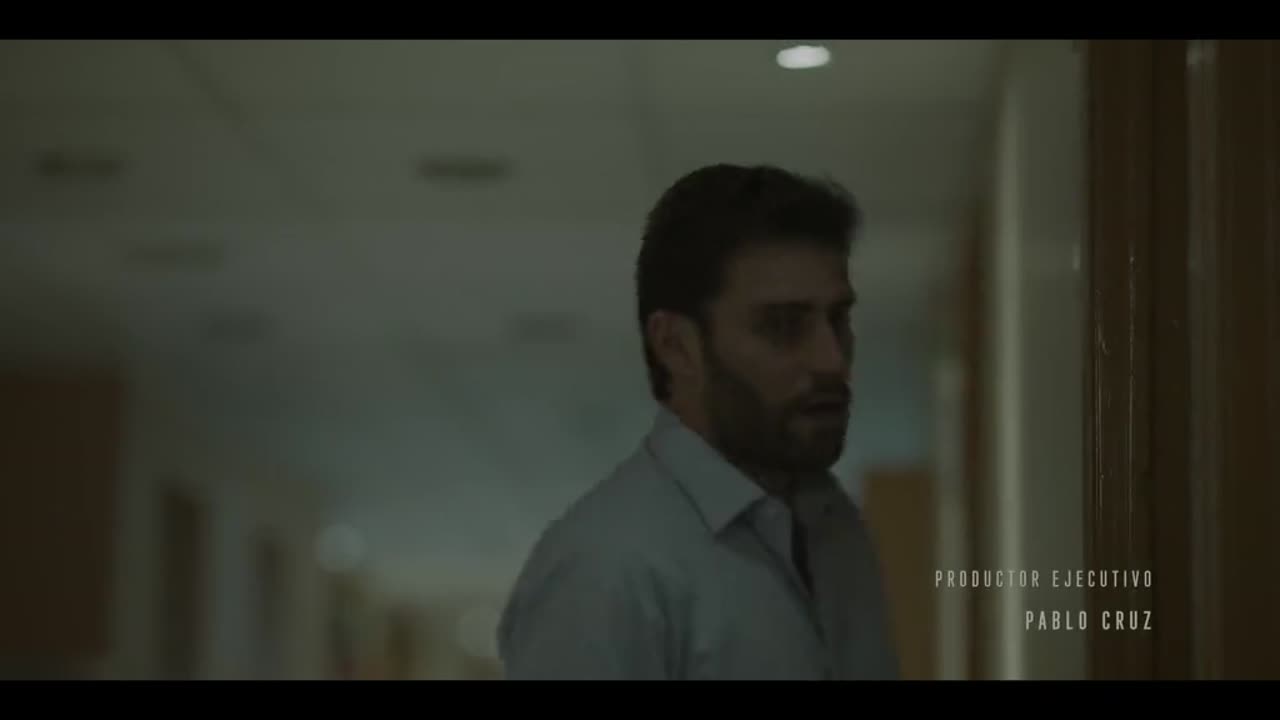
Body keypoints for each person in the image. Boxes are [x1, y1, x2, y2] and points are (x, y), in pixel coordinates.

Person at [496, 163, 900, 680]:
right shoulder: (607, 571)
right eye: (783, 326)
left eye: (838, 319)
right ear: (676, 346)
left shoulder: (835, 528)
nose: (832, 359)